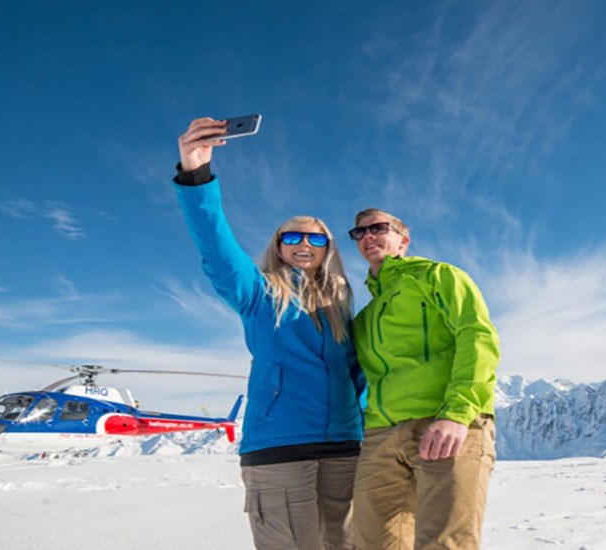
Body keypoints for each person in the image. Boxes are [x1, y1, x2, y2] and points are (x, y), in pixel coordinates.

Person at [172, 117, 365, 550]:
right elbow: (218, 251)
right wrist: (196, 176)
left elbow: (357, 376)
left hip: (346, 450)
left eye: (316, 239)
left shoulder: (340, 305)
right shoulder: (259, 293)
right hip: (281, 450)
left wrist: (368, 430)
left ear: (328, 249)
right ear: (278, 246)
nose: (304, 244)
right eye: (292, 236)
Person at [347, 209, 501, 549]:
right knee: (371, 542)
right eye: (359, 233)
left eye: (378, 228)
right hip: (381, 435)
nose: (367, 236)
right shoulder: (365, 318)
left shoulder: (437, 276)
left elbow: (476, 336)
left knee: (443, 543)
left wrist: (457, 414)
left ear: (403, 240)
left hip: (445, 424)